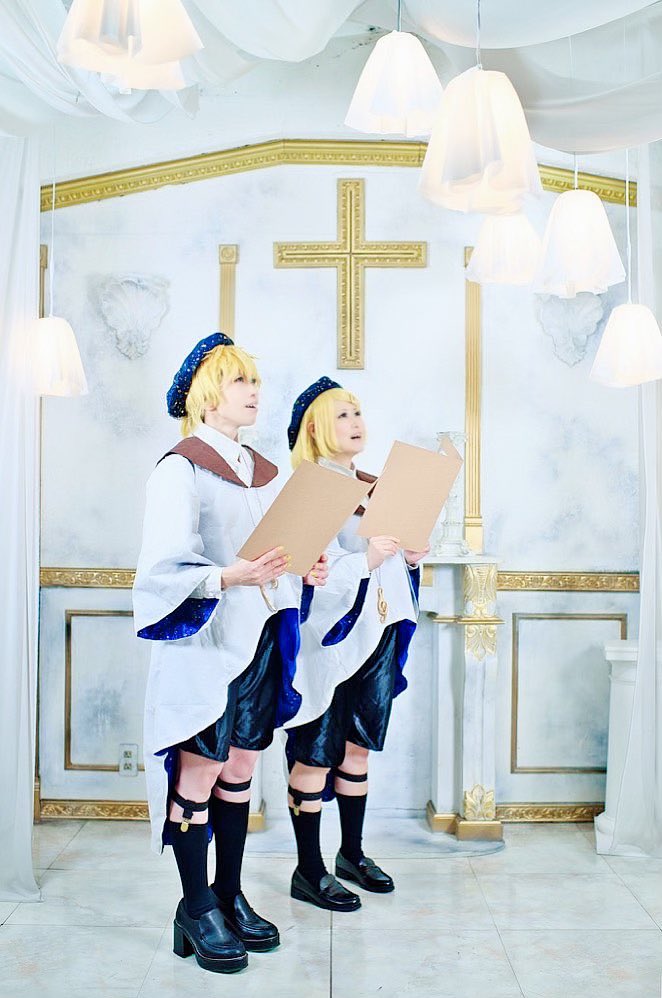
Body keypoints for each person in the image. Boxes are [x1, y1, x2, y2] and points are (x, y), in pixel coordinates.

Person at [133, 334, 327, 974]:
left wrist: (307, 566)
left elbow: (280, 551)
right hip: (207, 644)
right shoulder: (180, 468)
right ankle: (195, 907)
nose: (254, 392)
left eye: (254, 381)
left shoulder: (265, 471)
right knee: (200, 771)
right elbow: (162, 568)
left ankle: (228, 894)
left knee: (241, 766)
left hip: (262, 634)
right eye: (240, 380)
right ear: (207, 393)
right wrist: (228, 576)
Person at [284, 377, 428, 912]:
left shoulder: (374, 485)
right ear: (314, 428)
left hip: (379, 632)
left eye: (358, 412)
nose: (355, 423)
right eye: (342, 415)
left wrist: (409, 557)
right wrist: (367, 558)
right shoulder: (309, 489)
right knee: (317, 750)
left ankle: (351, 854)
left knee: (358, 746)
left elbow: (391, 563)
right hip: (330, 644)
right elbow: (303, 570)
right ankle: (309, 869)